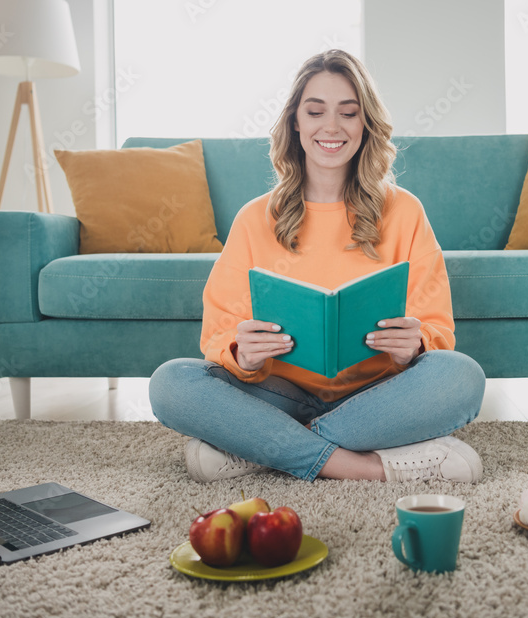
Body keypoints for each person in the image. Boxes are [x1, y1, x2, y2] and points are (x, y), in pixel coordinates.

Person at [149, 50, 485, 483]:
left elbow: (438, 329)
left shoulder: (404, 211)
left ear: (365, 125)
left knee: (462, 376)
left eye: (348, 113)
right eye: (315, 111)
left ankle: (262, 448)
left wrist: (415, 346)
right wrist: (242, 355)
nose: (332, 127)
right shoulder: (256, 217)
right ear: (296, 122)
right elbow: (218, 331)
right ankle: (363, 466)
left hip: (377, 399)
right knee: (170, 382)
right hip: (280, 394)